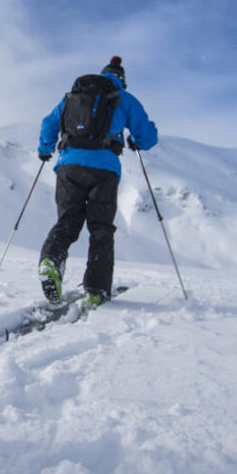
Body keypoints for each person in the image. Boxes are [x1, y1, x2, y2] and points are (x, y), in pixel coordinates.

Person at [36, 56, 156, 307]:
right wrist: (137, 141)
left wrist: (45, 148)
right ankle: (97, 289)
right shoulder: (124, 98)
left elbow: (49, 122)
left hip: (69, 166)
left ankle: (51, 261)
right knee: (100, 228)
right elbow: (147, 136)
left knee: (67, 221)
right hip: (104, 169)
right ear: (121, 79)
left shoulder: (72, 96)